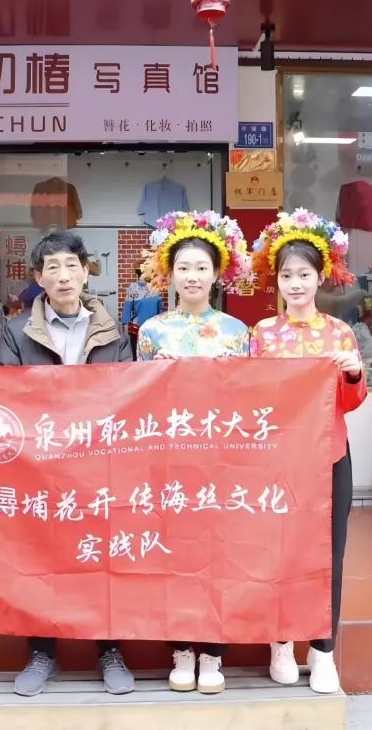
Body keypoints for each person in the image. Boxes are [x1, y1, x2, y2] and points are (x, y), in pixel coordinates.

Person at [0, 230, 136, 698]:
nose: (63, 275)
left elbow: (130, 394)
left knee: (103, 556)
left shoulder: (113, 331)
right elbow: (3, 394)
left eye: (71, 265)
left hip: (99, 466)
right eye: (52, 267)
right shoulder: (16, 332)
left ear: (85, 271)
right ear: (39, 278)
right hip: (39, 466)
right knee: (41, 557)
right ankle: (42, 651)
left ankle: (109, 649)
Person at [249, 207, 367, 694]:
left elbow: (350, 401)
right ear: (276, 281)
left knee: (328, 554)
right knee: (277, 551)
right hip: (277, 461)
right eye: (286, 276)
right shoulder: (261, 334)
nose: (294, 284)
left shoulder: (339, 333)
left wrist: (353, 373)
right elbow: (251, 397)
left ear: (321, 277)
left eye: (303, 275)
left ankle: (322, 650)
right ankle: (280, 642)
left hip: (328, 456)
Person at [136, 209, 253, 694]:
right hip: (169, 459)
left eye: (201, 267)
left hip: (220, 459)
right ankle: (182, 649)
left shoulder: (237, 333)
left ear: (217, 273)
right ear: (169, 272)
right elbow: (137, 399)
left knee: (219, 556)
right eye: (183, 267)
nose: (192, 276)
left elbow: (250, 400)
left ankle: (213, 653)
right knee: (175, 554)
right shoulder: (152, 332)